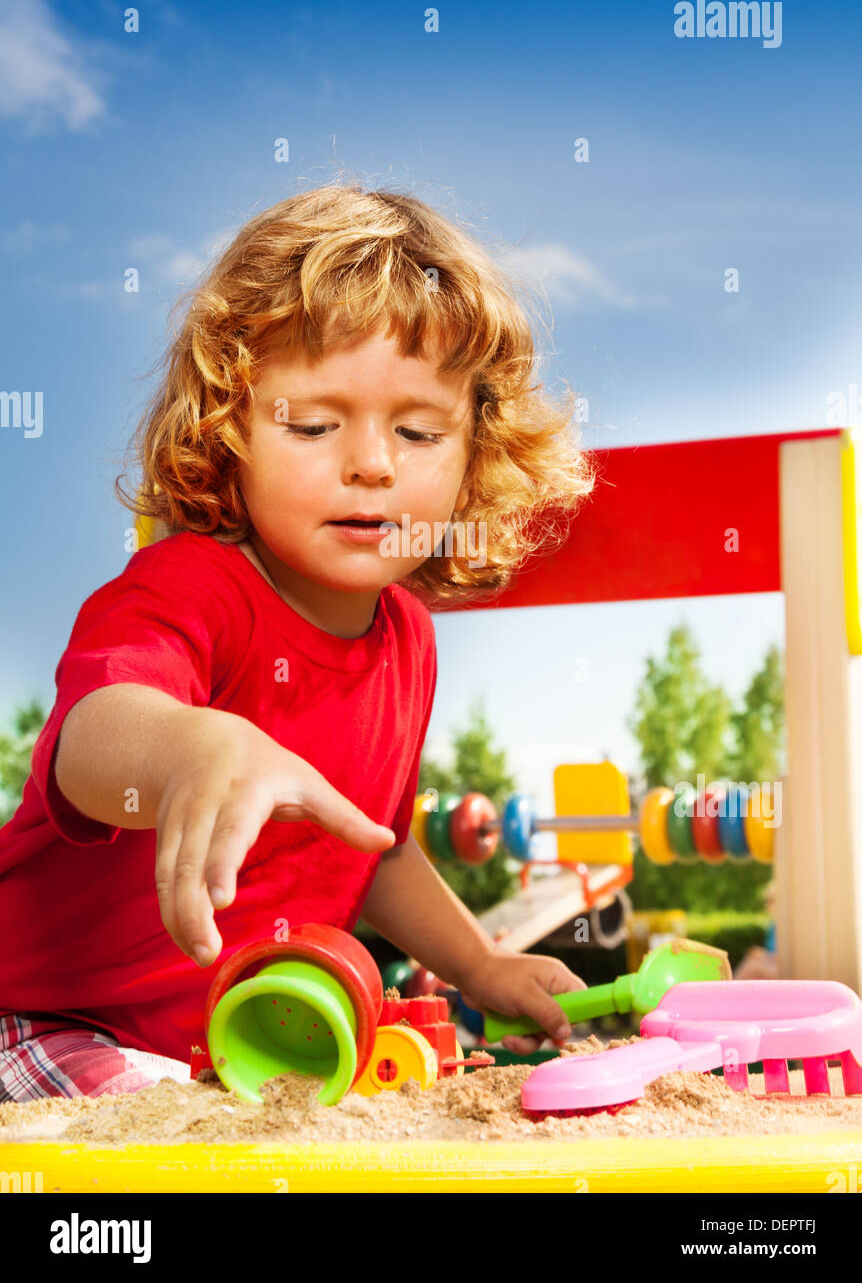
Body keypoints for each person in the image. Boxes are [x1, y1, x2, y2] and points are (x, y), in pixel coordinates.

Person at [0, 183, 596, 1101]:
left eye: (419, 430)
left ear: (475, 450)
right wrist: (193, 745)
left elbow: (377, 847)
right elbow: (93, 741)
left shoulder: (407, 642)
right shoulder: (192, 588)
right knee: (143, 1122)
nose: (372, 461)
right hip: (48, 1014)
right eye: (315, 425)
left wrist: (482, 967)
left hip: (227, 1054)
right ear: (230, 426)